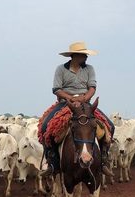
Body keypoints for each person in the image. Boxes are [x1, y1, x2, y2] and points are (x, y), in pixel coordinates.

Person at [39, 41, 114, 177]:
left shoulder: (89, 69)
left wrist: (84, 99)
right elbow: (56, 89)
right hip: (65, 103)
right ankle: (52, 163)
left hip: (86, 104)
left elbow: (92, 88)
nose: (85, 57)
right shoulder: (60, 69)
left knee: (110, 126)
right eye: (82, 55)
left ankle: (103, 161)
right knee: (46, 127)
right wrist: (71, 98)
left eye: (85, 55)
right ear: (73, 56)